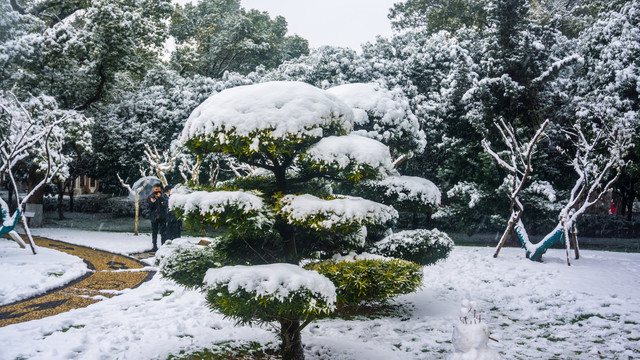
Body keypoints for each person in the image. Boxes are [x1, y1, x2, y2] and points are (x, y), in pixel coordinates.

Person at [147, 183, 167, 252]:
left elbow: (166, 204)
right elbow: (148, 206)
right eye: (156, 189)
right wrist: (152, 202)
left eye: (158, 189)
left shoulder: (163, 196)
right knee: (154, 232)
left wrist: (160, 198)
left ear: (161, 190)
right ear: (153, 190)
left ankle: (163, 245)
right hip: (154, 217)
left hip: (162, 217)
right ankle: (154, 246)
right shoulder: (151, 197)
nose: (157, 191)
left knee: (163, 232)